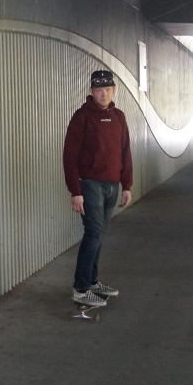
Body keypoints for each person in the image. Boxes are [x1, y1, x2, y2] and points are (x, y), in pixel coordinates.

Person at [63, 70, 133, 307]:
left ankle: (92, 281)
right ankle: (81, 289)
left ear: (113, 91)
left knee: (99, 235)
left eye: (108, 89)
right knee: (93, 234)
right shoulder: (82, 117)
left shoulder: (119, 117)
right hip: (90, 184)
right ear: (91, 92)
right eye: (99, 89)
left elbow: (125, 152)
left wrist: (127, 185)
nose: (104, 93)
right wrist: (76, 190)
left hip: (112, 186)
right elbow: (70, 156)